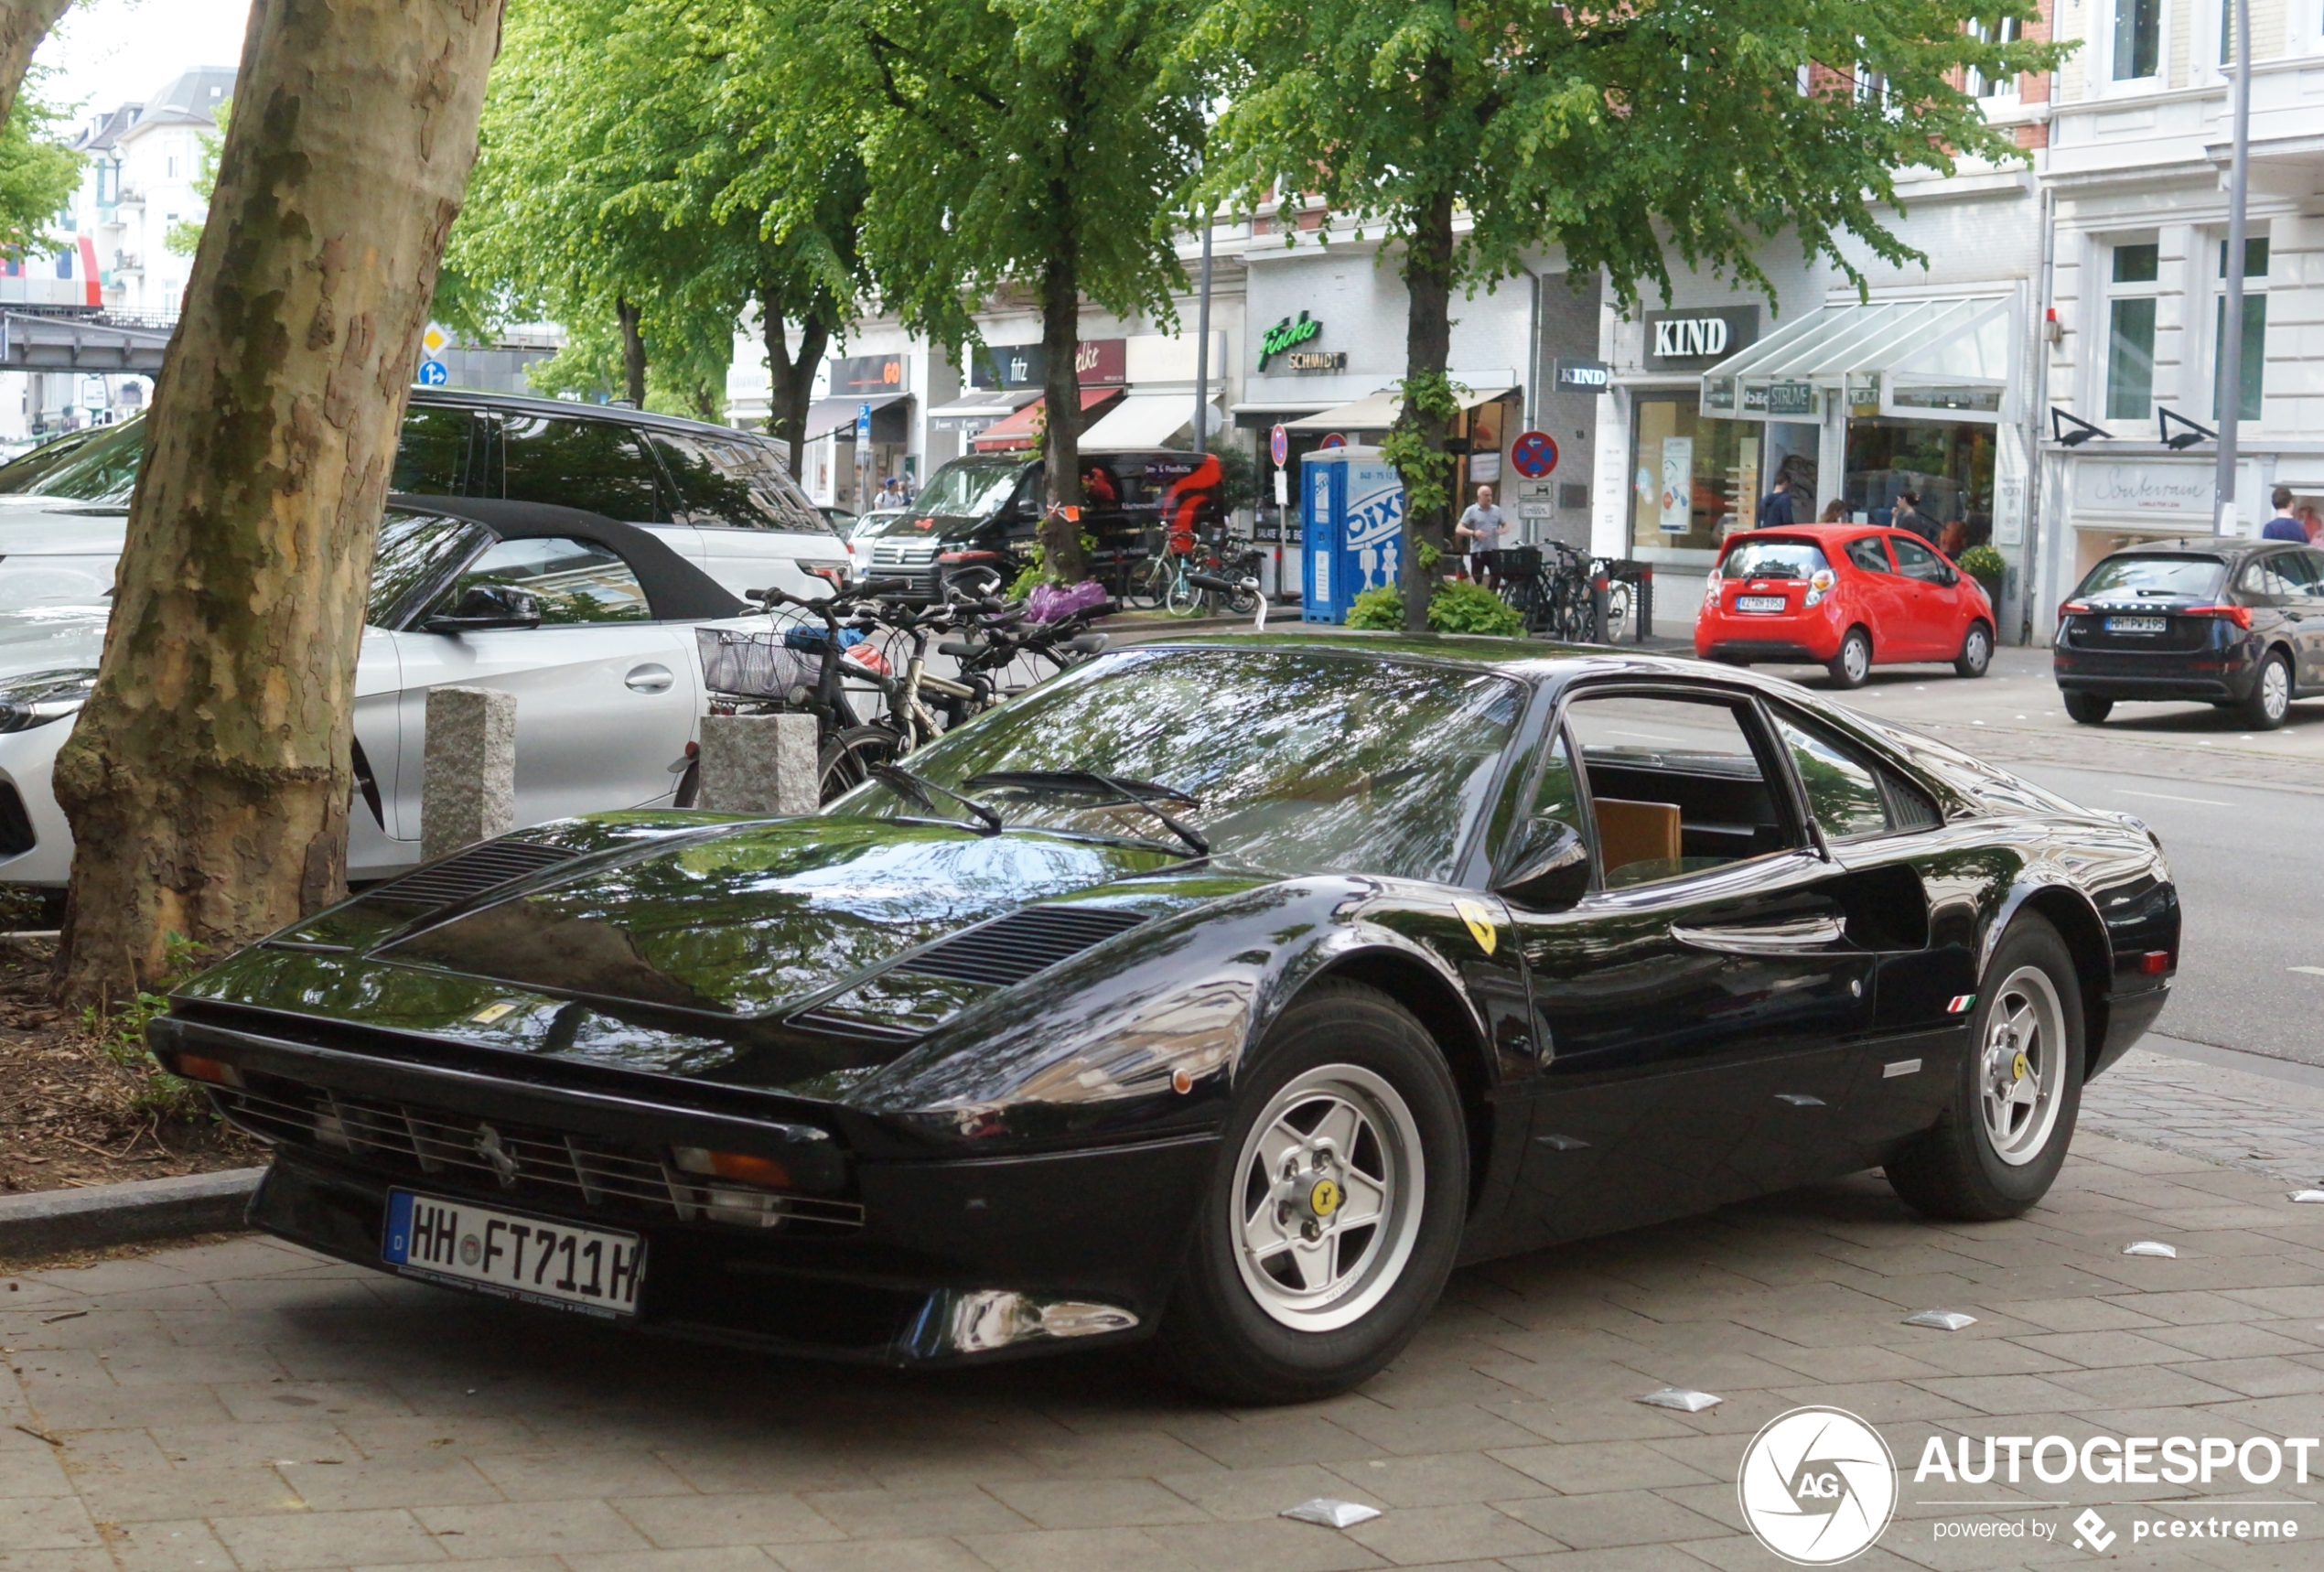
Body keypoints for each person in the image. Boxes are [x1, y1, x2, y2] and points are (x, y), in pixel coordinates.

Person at [1455, 484, 1506, 584]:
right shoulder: (1471, 510)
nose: (1489, 498)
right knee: (1477, 579)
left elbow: (1506, 525)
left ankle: (1492, 597)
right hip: (1478, 551)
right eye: (1486, 495)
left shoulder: (1496, 510)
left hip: (1493, 550)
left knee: (1497, 577)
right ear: (1479, 497)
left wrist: (1503, 530)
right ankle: (1478, 598)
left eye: (1490, 495)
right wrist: (1473, 533)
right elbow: (1459, 529)